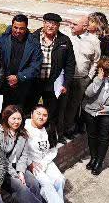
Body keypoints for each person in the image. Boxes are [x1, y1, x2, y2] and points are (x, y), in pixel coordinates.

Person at [0, 106, 58, 203]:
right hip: (2, 171)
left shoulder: (22, 134)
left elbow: (23, 156)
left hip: (18, 169)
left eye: (19, 119)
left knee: (34, 183)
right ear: (6, 118)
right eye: (13, 118)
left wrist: (21, 172)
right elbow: (1, 159)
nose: (16, 122)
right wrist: (17, 175)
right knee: (22, 188)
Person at [25, 105, 80, 203]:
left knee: (59, 179)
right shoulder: (25, 128)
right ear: (31, 114)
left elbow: (53, 149)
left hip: (45, 161)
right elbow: (22, 150)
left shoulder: (49, 128)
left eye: (44, 115)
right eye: (38, 113)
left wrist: (44, 163)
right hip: (32, 163)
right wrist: (31, 163)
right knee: (46, 182)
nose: (41, 117)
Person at [30, 12, 76, 143]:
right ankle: (31, 136)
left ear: (58, 26)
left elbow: (70, 64)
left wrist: (66, 84)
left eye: (54, 24)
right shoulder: (33, 37)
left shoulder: (64, 41)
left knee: (52, 112)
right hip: (35, 81)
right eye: (48, 23)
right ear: (43, 23)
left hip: (53, 82)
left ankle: (50, 138)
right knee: (31, 109)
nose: (51, 26)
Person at [0, 14, 42, 111]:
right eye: (15, 27)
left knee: (18, 113)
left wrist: (18, 77)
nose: (18, 31)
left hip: (22, 86)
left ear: (26, 28)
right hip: (2, 83)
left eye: (21, 28)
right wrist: (5, 77)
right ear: (12, 26)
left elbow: (35, 66)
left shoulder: (34, 43)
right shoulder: (1, 39)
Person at [66, 14, 101, 139]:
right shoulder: (67, 36)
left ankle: (70, 129)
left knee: (74, 105)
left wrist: (89, 77)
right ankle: (59, 129)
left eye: (75, 24)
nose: (71, 26)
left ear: (85, 26)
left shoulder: (94, 41)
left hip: (82, 79)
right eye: (71, 23)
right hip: (66, 78)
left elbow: (96, 60)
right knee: (62, 104)